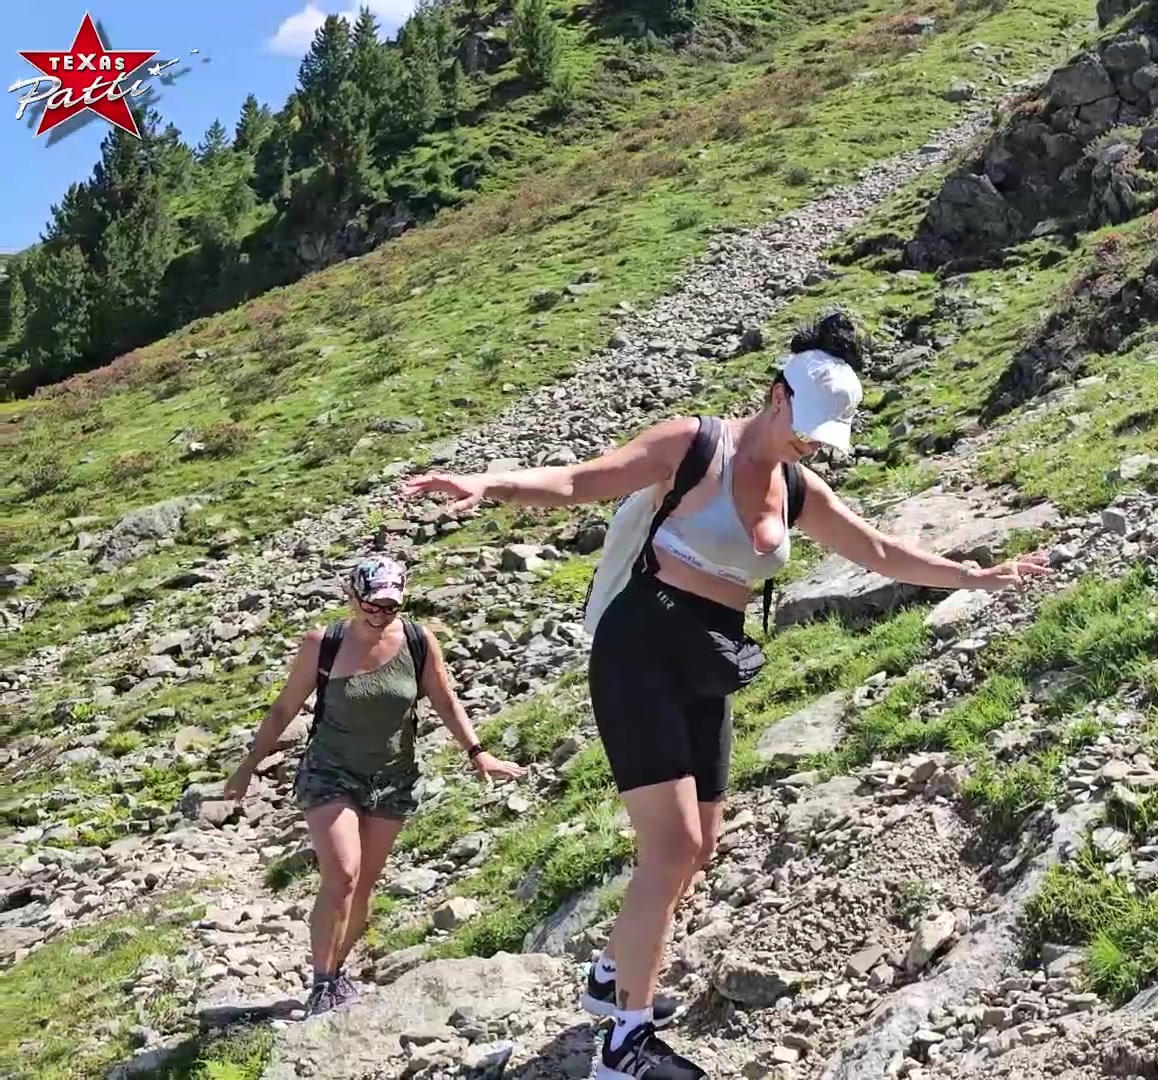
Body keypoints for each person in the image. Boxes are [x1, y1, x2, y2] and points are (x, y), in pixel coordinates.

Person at [400, 310, 1049, 1080]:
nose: (810, 444)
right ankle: (624, 1047)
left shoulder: (798, 487)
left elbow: (876, 549)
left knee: (699, 847)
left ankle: (612, 980)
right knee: (668, 847)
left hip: (710, 654)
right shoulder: (693, 444)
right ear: (776, 394)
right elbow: (582, 480)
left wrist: (975, 575)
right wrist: (487, 482)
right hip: (640, 641)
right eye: (804, 426)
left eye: (822, 436)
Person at [224, 555, 527, 1017]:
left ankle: (336, 973)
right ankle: (322, 983)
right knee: (342, 873)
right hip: (330, 772)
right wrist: (249, 764)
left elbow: (445, 700)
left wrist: (477, 751)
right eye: (374, 604)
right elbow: (284, 710)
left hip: (393, 776)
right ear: (353, 596)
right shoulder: (322, 644)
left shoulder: (418, 641)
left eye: (391, 605)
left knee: (363, 884)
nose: (382, 613)